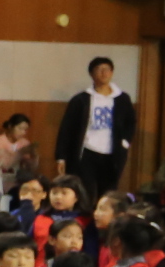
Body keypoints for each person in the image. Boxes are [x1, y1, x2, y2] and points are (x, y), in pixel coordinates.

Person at [54, 56, 136, 206]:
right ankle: (86, 217)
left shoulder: (122, 98)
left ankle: (105, 217)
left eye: (107, 69)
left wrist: (125, 142)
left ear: (112, 73)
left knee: (108, 192)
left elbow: (130, 122)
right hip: (87, 152)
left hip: (112, 153)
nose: (103, 73)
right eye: (99, 70)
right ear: (92, 74)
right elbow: (67, 128)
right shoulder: (81, 100)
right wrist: (61, 157)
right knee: (85, 192)